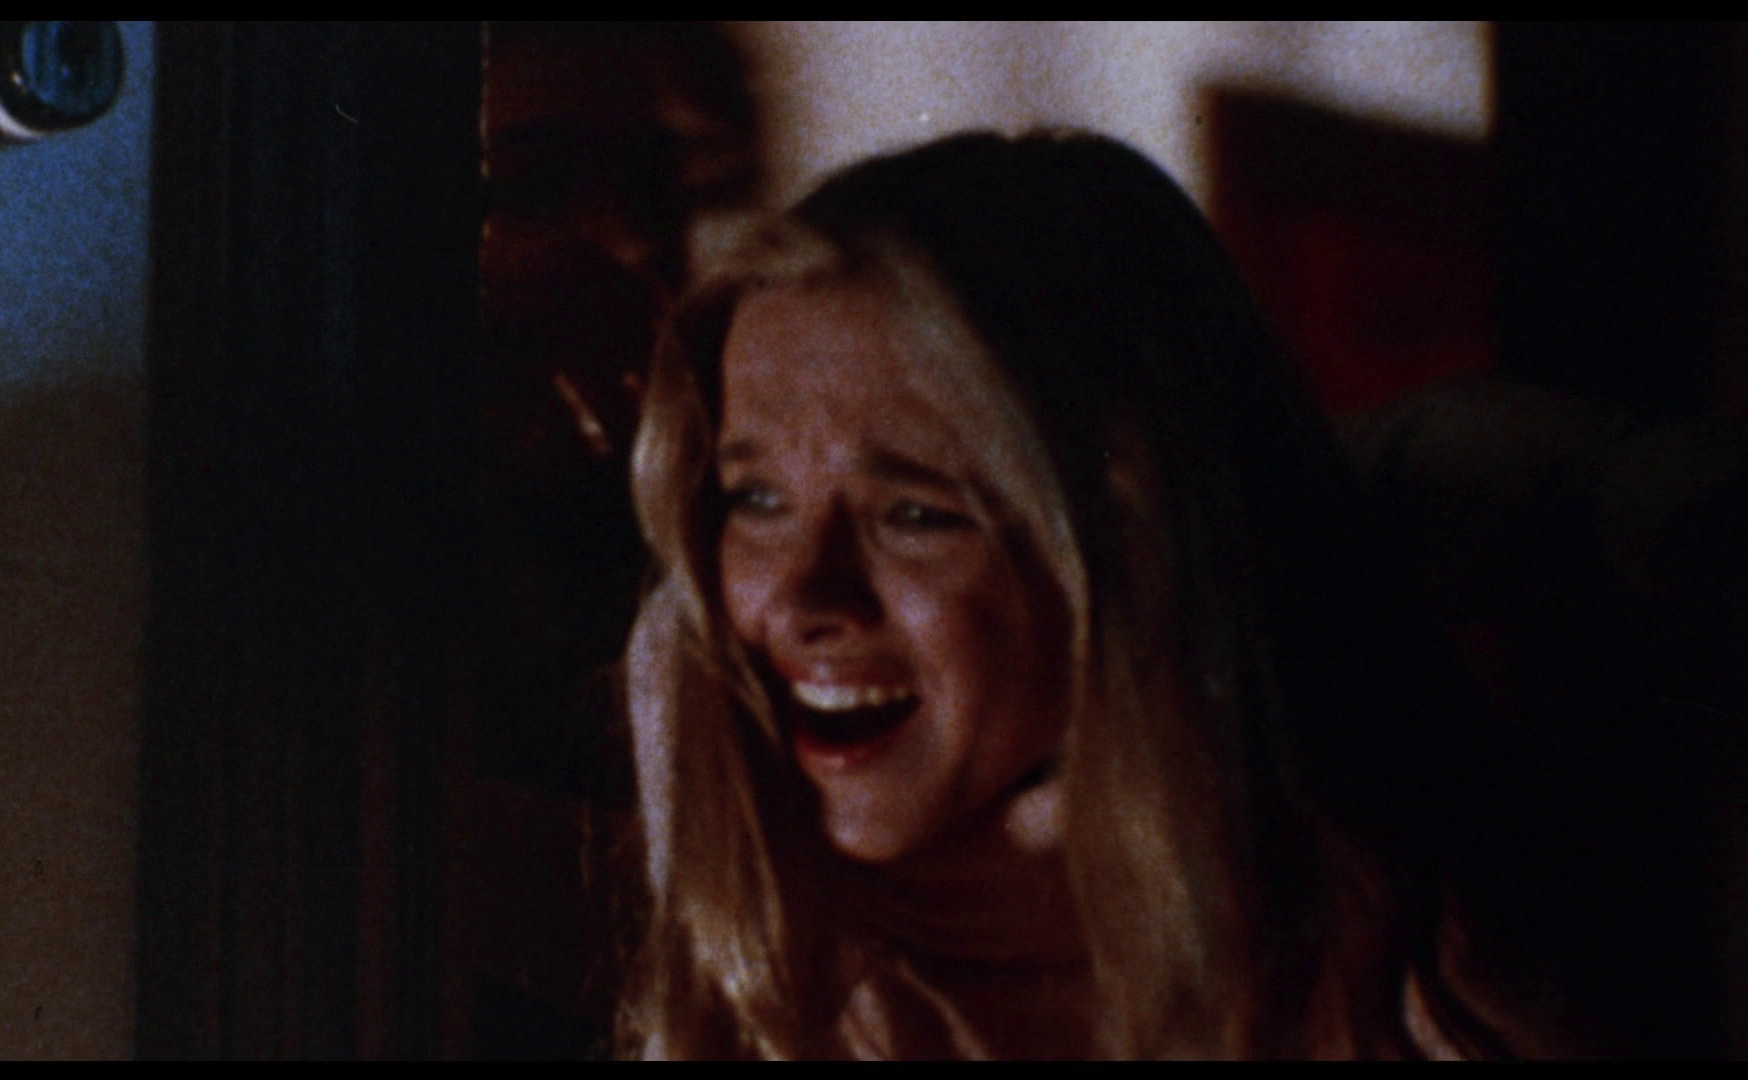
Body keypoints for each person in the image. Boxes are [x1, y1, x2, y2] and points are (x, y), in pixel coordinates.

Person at [615, 129, 1527, 1059]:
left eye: (917, 515)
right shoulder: (724, 838)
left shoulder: (1416, 962)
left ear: (1136, 542)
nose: (799, 597)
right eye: (756, 499)